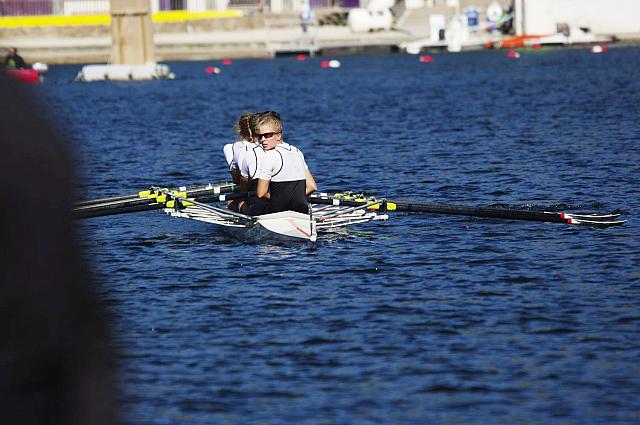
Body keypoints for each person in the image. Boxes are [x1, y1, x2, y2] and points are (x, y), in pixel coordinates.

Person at [254, 111, 317, 214]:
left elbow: (261, 194)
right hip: (301, 212)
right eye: (260, 136)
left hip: (278, 212)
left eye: (267, 135)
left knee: (246, 205)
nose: (263, 140)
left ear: (278, 136)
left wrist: (279, 199)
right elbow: (312, 187)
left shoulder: (269, 155)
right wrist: (294, 197)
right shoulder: (297, 151)